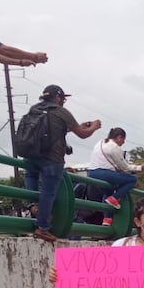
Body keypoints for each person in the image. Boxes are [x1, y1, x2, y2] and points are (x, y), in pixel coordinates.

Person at [23, 85, 102, 242]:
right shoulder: (61, 111)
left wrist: (74, 127)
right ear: (58, 97)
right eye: (63, 99)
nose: (64, 101)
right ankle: (42, 227)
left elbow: (50, 131)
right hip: (51, 158)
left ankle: (32, 206)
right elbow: (83, 135)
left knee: (31, 176)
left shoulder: (35, 109)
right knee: (49, 191)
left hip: (30, 155)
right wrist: (94, 127)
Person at [86, 127, 144, 225]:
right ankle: (115, 198)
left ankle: (107, 220)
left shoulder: (100, 142)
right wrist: (140, 167)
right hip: (103, 173)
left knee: (109, 190)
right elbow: (124, 167)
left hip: (91, 172)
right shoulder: (114, 147)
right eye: (123, 140)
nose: (123, 142)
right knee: (132, 180)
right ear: (119, 137)